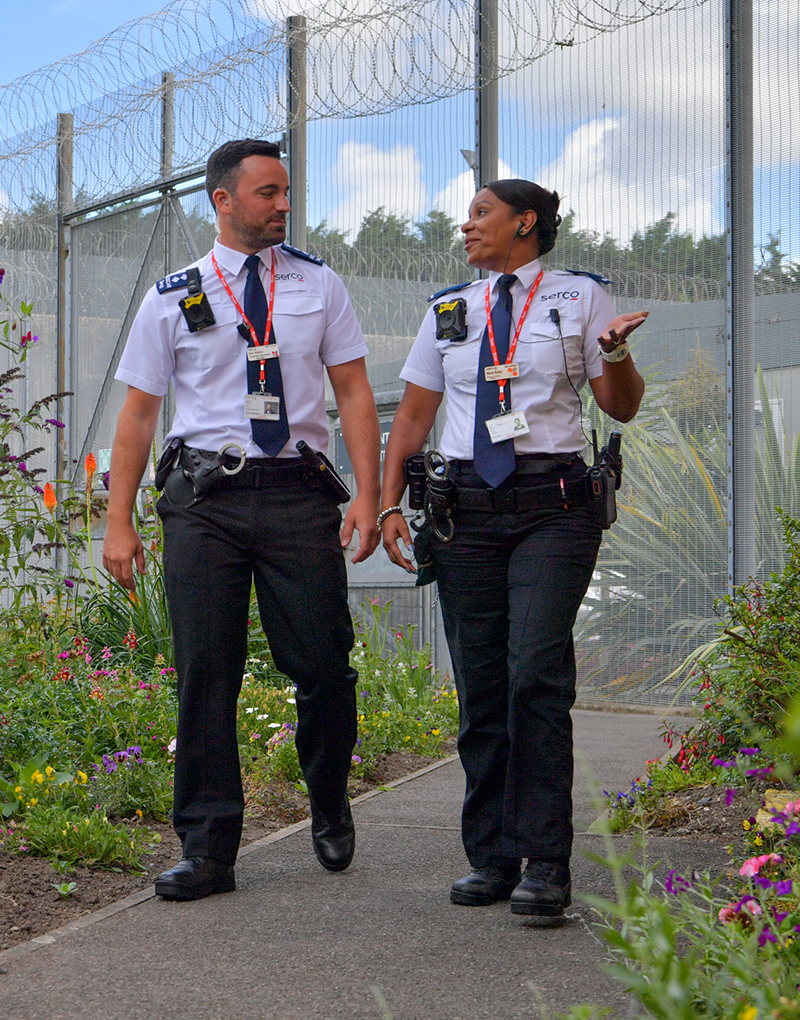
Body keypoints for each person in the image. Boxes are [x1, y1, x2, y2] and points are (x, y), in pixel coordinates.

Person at [101, 138, 382, 901]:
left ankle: (329, 796)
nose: (283, 204)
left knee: (323, 663)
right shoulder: (174, 294)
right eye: (267, 193)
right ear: (222, 201)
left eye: (286, 191)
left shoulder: (320, 286)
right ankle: (208, 847)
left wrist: (366, 492)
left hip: (297, 494)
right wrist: (118, 520)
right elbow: (138, 415)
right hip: (203, 501)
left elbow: (353, 392)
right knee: (206, 672)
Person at [378, 179, 647, 916]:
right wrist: (385, 504)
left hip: (551, 509)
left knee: (535, 670)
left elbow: (618, 404)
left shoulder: (578, 298)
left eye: (481, 214)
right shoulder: (448, 310)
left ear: (525, 222)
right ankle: (492, 857)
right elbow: (414, 414)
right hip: (463, 511)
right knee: (482, 683)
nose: (466, 227)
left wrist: (616, 356)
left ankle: (546, 861)